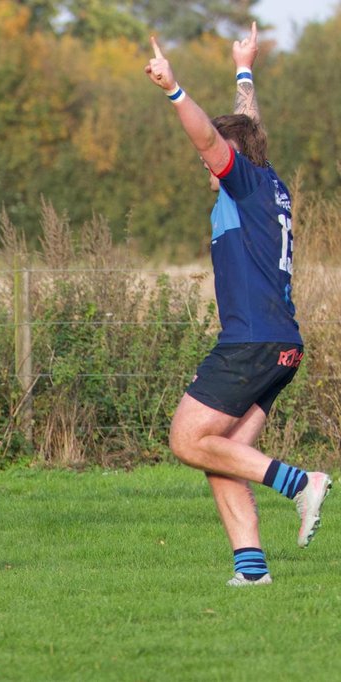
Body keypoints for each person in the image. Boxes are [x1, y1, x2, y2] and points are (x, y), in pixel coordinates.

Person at [146, 24, 331, 587]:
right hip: (281, 343)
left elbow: (209, 138)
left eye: (215, 159)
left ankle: (301, 484)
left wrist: (175, 89)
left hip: (250, 340)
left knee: (186, 439)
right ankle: (251, 571)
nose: (206, 166)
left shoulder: (242, 184)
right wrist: (243, 68)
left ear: (230, 159)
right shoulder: (270, 182)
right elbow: (246, 126)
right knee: (218, 453)